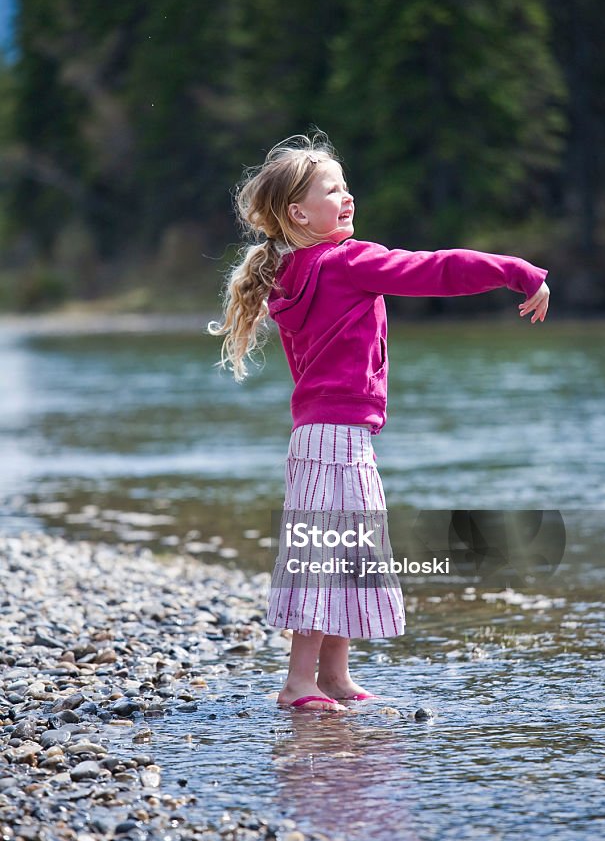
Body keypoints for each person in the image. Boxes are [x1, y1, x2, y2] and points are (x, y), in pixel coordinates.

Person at [208, 131, 550, 712]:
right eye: (332, 190)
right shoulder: (347, 262)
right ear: (299, 213)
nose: (347, 197)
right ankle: (298, 682)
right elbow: (436, 269)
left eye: (346, 187)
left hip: (326, 435)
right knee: (325, 552)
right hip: (335, 438)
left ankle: (334, 677)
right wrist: (517, 270)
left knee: (346, 550)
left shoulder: (292, 271)